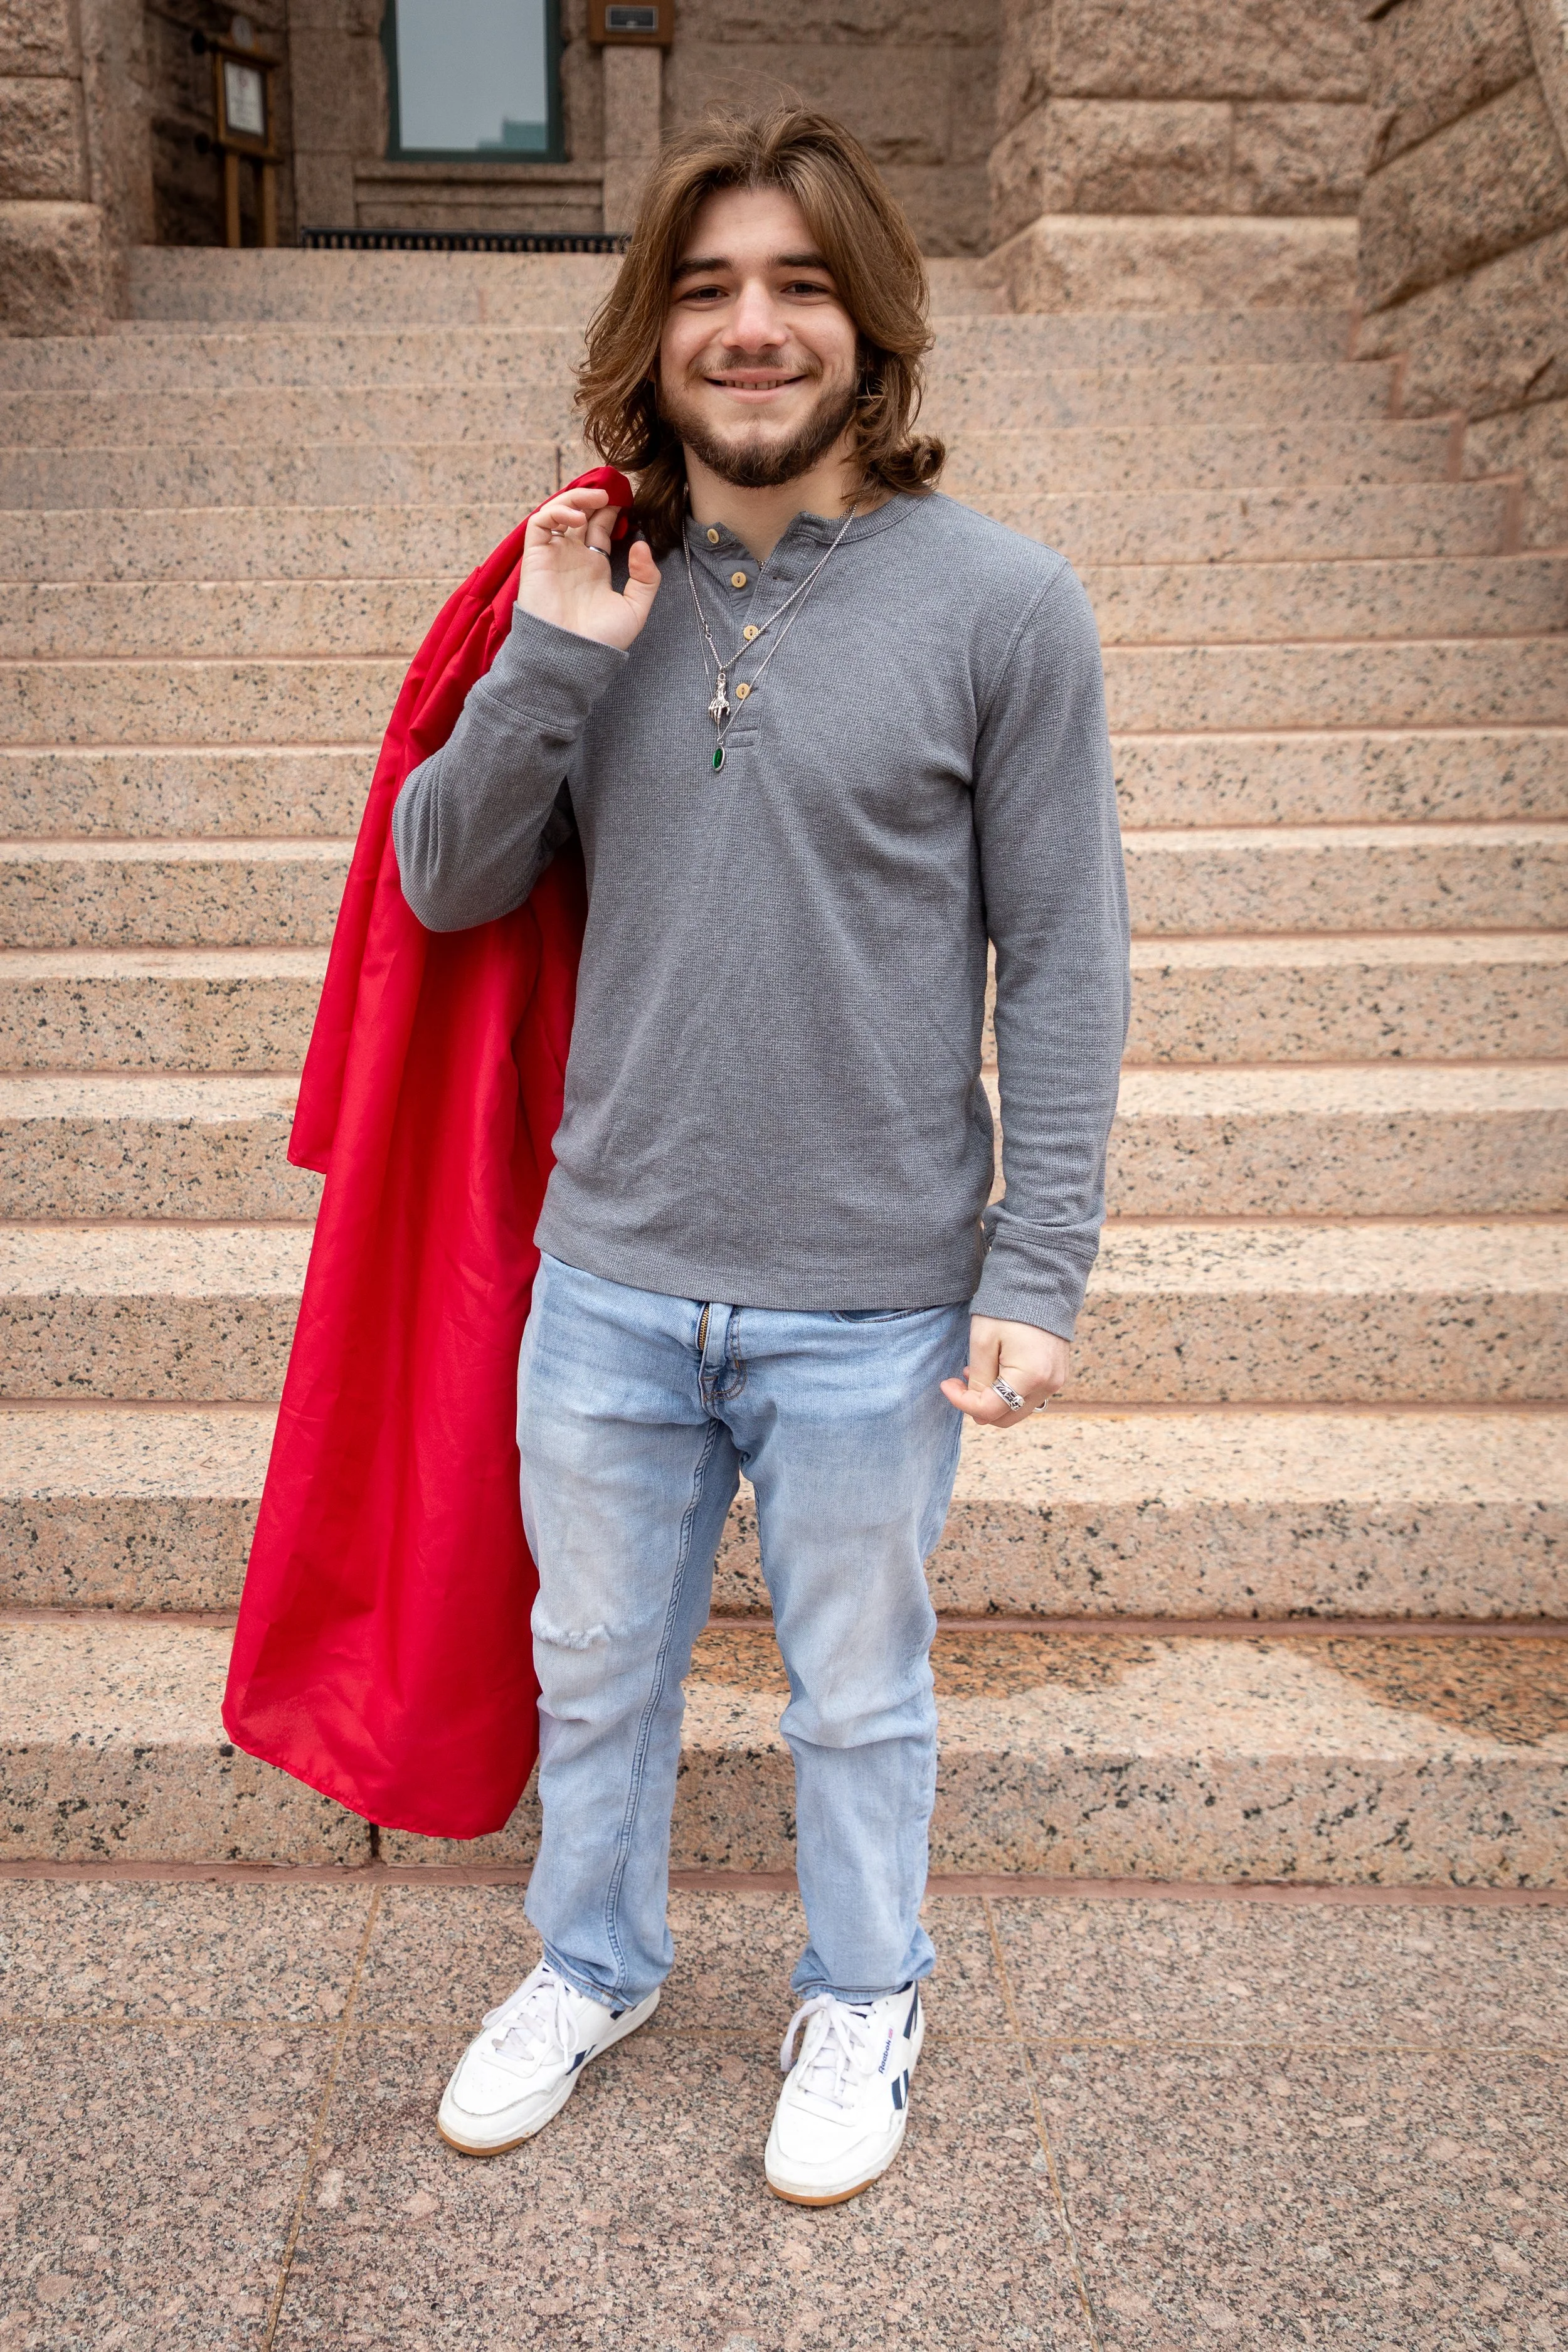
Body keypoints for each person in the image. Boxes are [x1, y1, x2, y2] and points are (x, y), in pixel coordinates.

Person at [391, 107, 1130, 2206]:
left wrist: (1035, 1258)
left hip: (873, 1283)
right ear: (654, 329)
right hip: (611, 1266)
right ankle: (591, 1964)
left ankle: (866, 1989)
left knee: (856, 1691)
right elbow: (442, 884)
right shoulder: (578, 579)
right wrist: (550, 661)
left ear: (868, 325)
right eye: (708, 285)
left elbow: (1067, 950)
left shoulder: (1004, 605)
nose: (752, 326)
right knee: (593, 1667)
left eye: (799, 283)